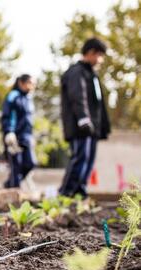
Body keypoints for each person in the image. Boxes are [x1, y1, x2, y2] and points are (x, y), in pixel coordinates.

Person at [59, 38, 111, 198]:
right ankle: (66, 193)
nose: (100, 60)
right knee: (80, 159)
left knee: (88, 161)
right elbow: (77, 96)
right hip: (80, 126)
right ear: (90, 53)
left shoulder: (91, 73)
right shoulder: (77, 72)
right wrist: (83, 119)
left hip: (91, 127)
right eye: (99, 55)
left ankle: (79, 192)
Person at [1, 74, 37, 188]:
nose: (32, 86)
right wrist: (9, 131)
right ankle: (13, 191)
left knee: (30, 163)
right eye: (30, 83)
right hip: (14, 136)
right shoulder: (13, 96)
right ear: (21, 83)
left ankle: (9, 184)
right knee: (16, 165)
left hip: (26, 136)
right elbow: (8, 115)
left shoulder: (28, 99)